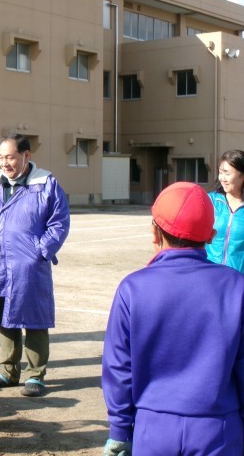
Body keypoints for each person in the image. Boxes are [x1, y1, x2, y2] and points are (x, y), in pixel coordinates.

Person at [102, 182, 244, 455]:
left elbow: (118, 367)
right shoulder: (236, 286)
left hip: (152, 428)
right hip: (219, 428)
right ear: (212, 235)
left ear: (155, 232)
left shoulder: (133, 288)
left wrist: (120, 430)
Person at [0, 134, 70, 397]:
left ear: (26, 156)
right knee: (5, 317)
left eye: (10, 157)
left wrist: (41, 251)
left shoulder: (45, 184)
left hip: (28, 267)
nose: (5, 163)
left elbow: (59, 223)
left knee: (34, 319)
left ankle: (35, 375)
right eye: (1, 157)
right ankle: (8, 371)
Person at [206, 149, 244, 272]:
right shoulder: (210, 201)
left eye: (227, 173)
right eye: (220, 172)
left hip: (238, 277)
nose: (222, 178)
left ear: (242, 176)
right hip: (211, 274)